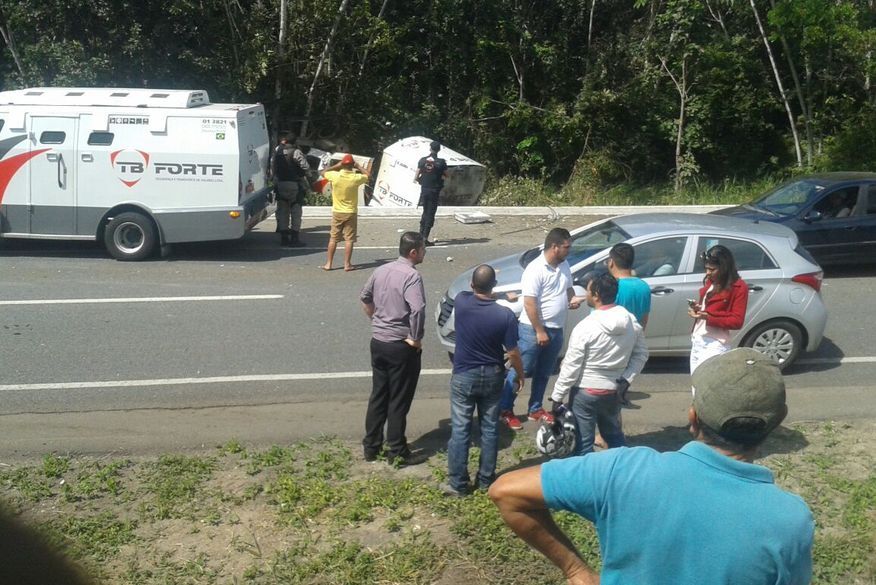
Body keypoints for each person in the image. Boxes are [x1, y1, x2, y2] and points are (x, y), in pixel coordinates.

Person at [489, 348, 814, 585]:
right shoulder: (791, 520)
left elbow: (506, 492)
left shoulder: (623, 470)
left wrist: (576, 571)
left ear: (692, 417)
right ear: (775, 424)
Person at [443, 264, 525, 496]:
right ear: (494, 286)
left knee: (460, 429)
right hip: (492, 375)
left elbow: (476, 292)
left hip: (464, 375)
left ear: (471, 285)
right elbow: (513, 352)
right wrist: (519, 374)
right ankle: (486, 480)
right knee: (489, 428)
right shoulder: (505, 315)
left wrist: (492, 290)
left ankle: (458, 484)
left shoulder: (462, 302)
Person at [549, 272, 648, 455]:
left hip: (585, 393)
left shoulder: (585, 327)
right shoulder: (631, 322)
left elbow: (571, 367)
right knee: (614, 438)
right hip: (612, 391)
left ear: (596, 295)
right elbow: (641, 354)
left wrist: (557, 397)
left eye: (587, 290)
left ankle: (587, 480)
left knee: (583, 445)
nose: (585, 294)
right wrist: (626, 380)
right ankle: (622, 473)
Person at [499, 228, 584, 431]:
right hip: (533, 330)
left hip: (556, 328)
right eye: (566, 247)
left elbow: (568, 288)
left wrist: (571, 299)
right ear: (554, 247)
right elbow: (529, 303)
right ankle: (505, 410)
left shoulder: (564, 266)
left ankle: (535, 408)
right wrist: (539, 330)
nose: (569, 251)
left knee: (544, 372)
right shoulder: (535, 269)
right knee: (521, 370)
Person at [359, 232, 427, 465]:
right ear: (413, 252)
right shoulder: (411, 276)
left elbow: (365, 296)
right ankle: (396, 450)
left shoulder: (381, 270)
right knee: (398, 399)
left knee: (379, 395)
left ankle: (371, 447)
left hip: (378, 342)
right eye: (423, 248)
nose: (424, 252)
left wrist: (376, 319)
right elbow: (417, 309)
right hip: (400, 345)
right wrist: (415, 338)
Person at [688, 244, 748, 373]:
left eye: (712, 269)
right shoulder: (712, 281)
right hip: (698, 339)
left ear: (724, 268)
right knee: (696, 386)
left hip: (715, 344)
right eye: (706, 268)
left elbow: (737, 321)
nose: (707, 273)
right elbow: (709, 307)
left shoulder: (739, 287)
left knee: (708, 388)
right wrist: (698, 309)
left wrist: (707, 317)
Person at [606, 242, 650, 410]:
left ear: (611, 262)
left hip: (612, 340)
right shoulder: (643, 286)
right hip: (632, 338)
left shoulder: (612, 286)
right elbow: (644, 317)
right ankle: (621, 395)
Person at [321, 153, 370, 271]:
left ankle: (329, 264)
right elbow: (368, 175)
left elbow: (322, 172)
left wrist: (336, 166)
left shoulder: (335, 176)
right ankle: (347, 264)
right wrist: (358, 166)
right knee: (349, 239)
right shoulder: (355, 178)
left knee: (333, 238)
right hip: (351, 212)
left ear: (342, 164)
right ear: (352, 165)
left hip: (337, 211)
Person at [271, 133, 310, 247]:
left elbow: (273, 167)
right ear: (294, 142)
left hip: (280, 184)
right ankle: (294, 238)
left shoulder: (277, 151)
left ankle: (284, 238)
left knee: (283, 211)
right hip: (294, 184)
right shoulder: (296, 152)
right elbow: (305, 167)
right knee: (296, 211)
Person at [413, 140, 448, 246]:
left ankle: (420, 235)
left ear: (430, 148)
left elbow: (416, 175)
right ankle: (424, 238)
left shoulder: (423, 160)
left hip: (424, 189)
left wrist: (419, 179)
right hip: (434, 190)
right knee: (430, 213)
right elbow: (447, 175)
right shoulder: (441, 162)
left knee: (424, 211)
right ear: (439, 150)